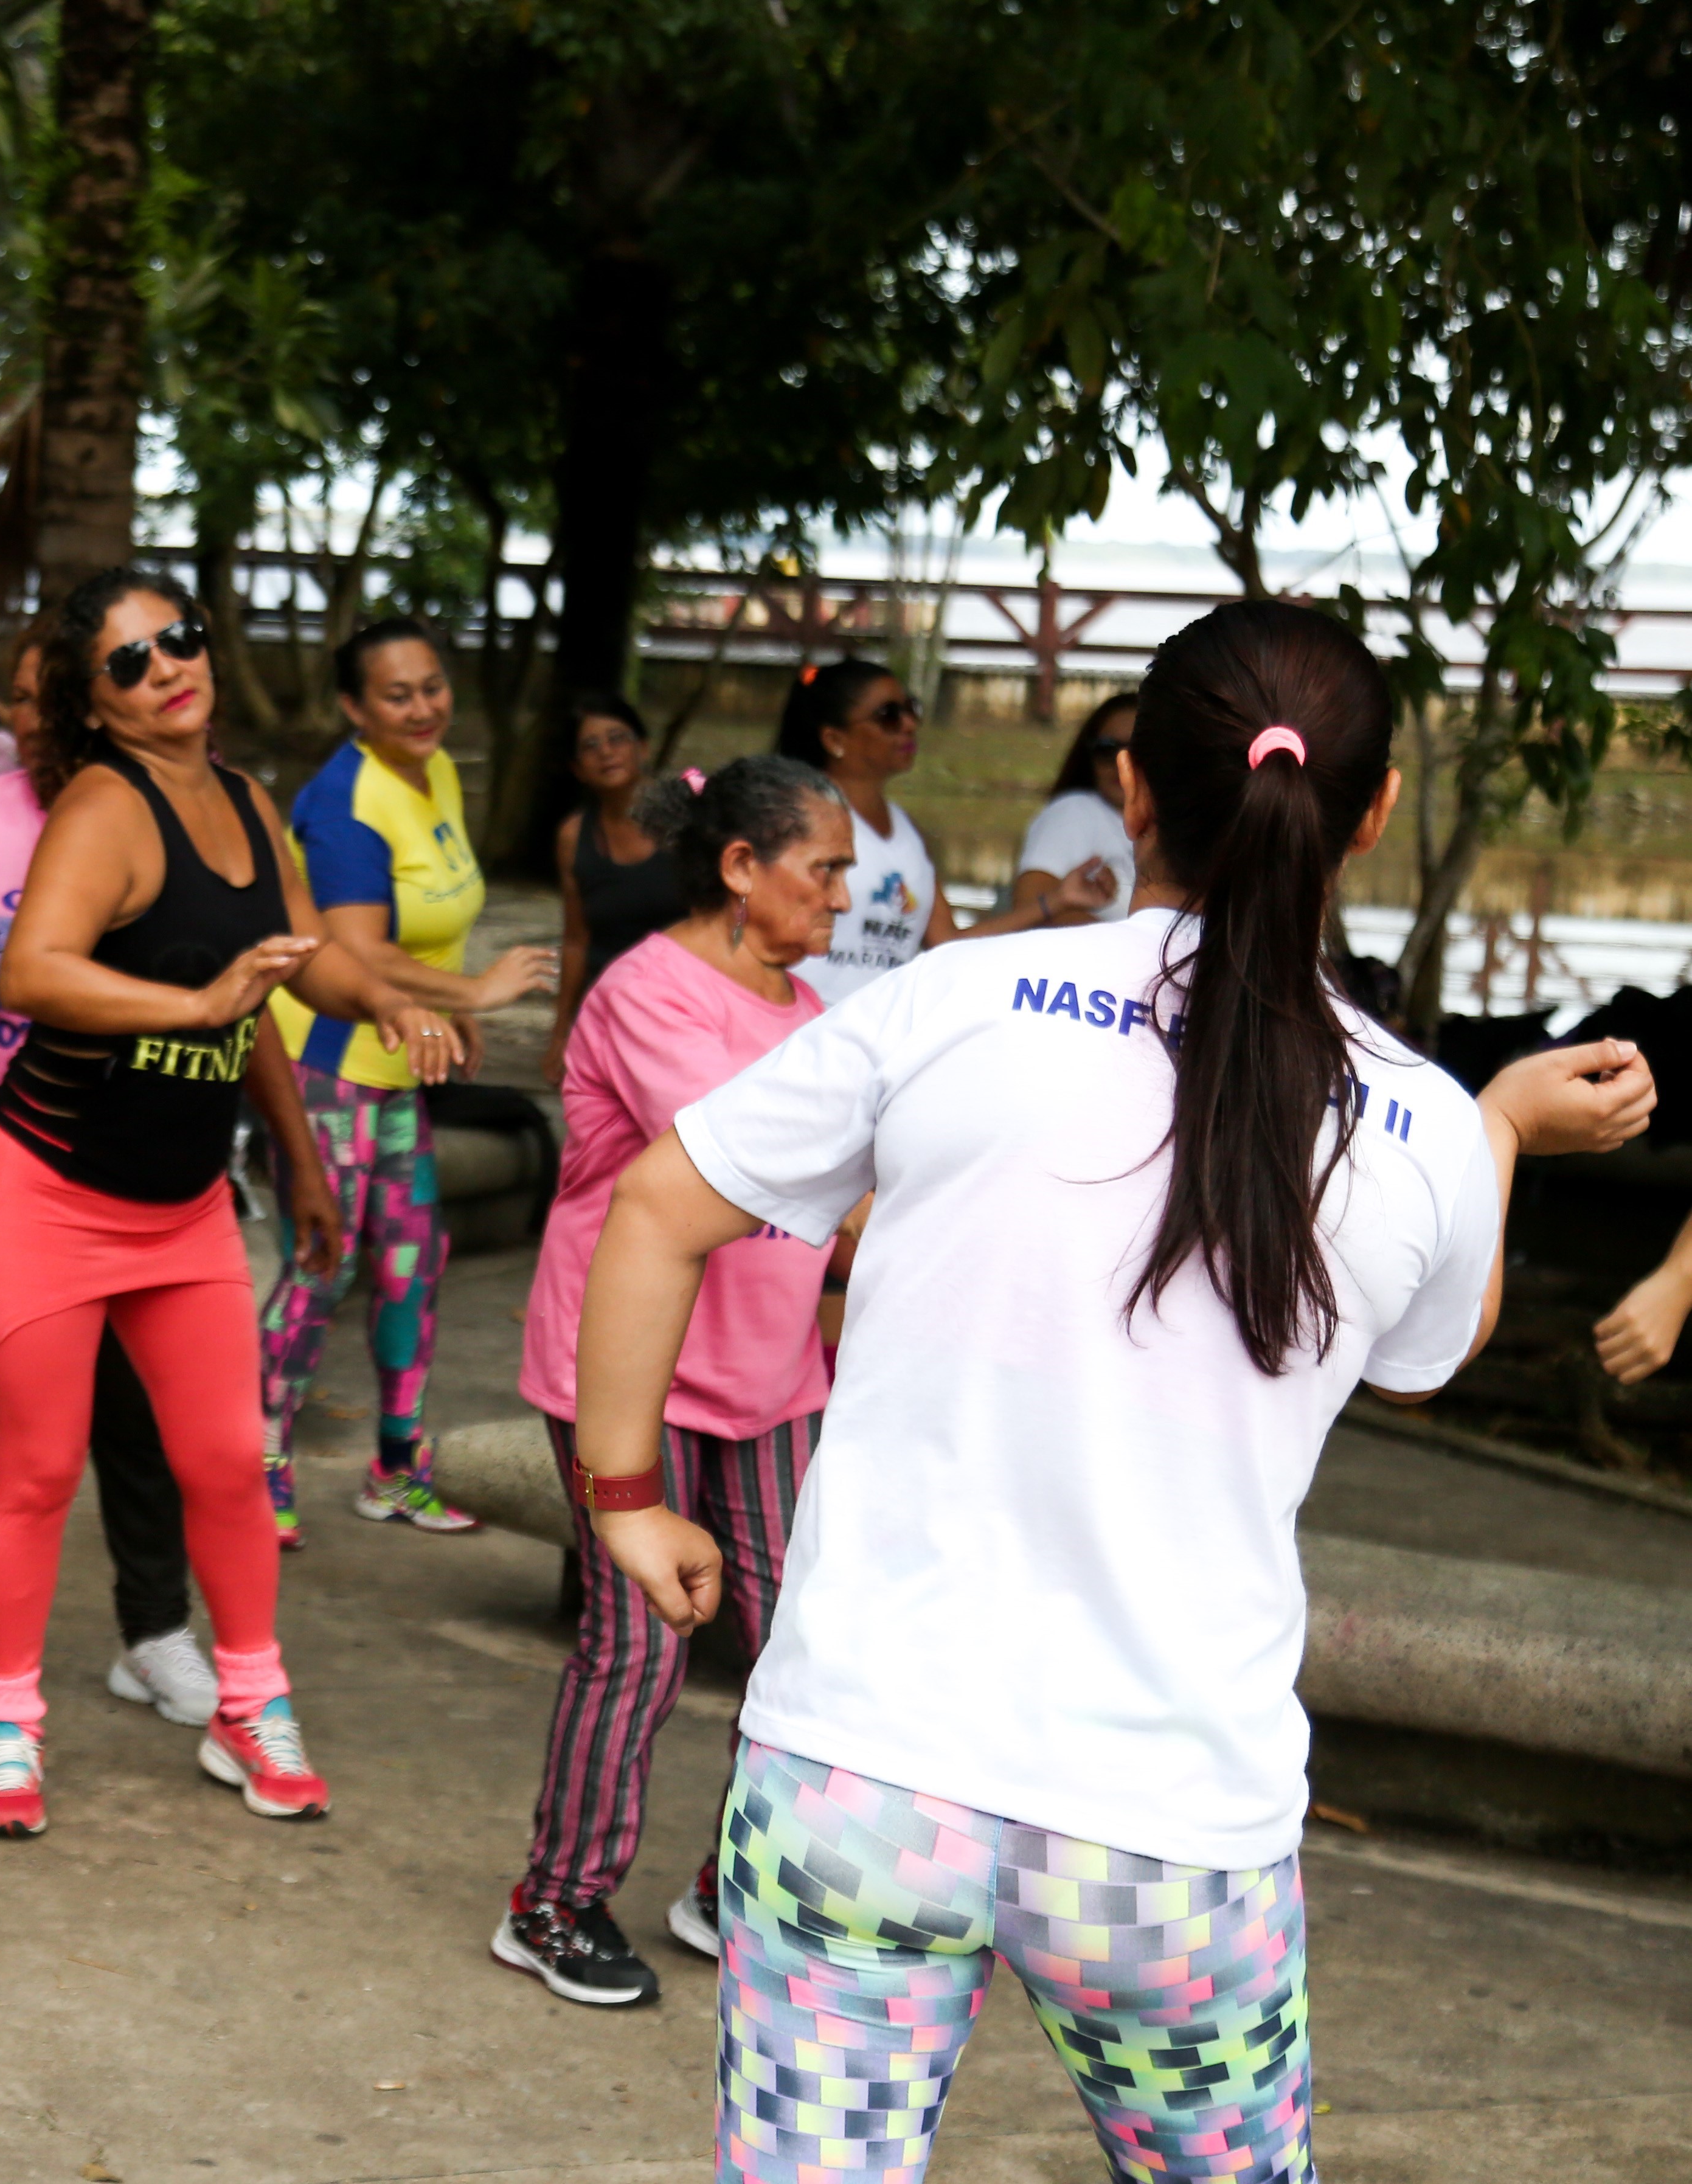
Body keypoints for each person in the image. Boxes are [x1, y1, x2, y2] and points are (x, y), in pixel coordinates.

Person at [573, 600, 1652, 2181]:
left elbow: (658, 1202)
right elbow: (1428, 1356)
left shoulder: (951, 1000)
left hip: (859, 1781)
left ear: (1131, 787)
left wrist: (622, 1493)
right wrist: (1493, 1128)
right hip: (1165, 1837)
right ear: (1368, 814)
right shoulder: (1414, 1122)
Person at [0, 569, 455, 1838]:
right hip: (45, 1189)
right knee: (37, 1471)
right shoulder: (102, 807)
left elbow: (299, 961)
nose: (166, 667)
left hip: (180, 1206)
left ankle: (249, 1703)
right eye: (127, 661)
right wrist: (194, 1004)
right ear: (92, 703)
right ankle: (5, 1724)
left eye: (177, 638)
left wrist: (383, 1004)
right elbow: (33, 969)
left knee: (231, 1462)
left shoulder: (241, 797)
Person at [0, 623, 340, 1727]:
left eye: (46, 693)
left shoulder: (188, 812)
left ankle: (152, 1634)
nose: (33, 717)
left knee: (142, 1419)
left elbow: (242, 1010)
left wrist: (298, 1156)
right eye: (17, 698)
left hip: (140, 1181)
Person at [492, 755, 850, 2012]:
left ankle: (729, 1881)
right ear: (740, 866)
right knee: (637, 1642)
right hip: (626, 1374)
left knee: (802, 1646)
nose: (842, 897)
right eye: (822, 869)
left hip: (768, 1372)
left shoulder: (812, 1007)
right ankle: (553, 1900)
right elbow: (751, 1156)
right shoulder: (647, 993)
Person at [256, 617, 558, 1542]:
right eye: (397, 695)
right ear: (355, 707)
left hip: (396, 1067)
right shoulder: (344, 799)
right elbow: (350, 945)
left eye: (432, 687)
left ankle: (395, 1466)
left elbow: (424, 927)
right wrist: (476, 991)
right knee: (321, 1265)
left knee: (410, 1262)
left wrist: (448, 1009)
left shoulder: (433, 775)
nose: (423, 707)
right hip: (326, 1063)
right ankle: (254, 1463)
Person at [773, 656, 1109, 1002]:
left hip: (881, 1025)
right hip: (805, 1021)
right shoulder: (793, 817)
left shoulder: (907, 831)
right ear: (833, 739)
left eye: (911, 709)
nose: (909, 725)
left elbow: (947, 944)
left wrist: (1060, 900)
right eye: (889, 716)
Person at [550, 691, 681, 1050]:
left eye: (617, 739)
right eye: (590, 746)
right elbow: (576, 940)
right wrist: (561, 1032)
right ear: (577, 768)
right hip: (606, 1014)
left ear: (643, 748)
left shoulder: (687, 820)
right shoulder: (574, 836)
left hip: (683, 1007)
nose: (606, 752)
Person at [1011, 690, 1140, 924]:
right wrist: (1128, 942)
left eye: (1139, 750)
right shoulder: (1075, 810)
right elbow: (1030, 905)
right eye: (1107, 749)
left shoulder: (1178, 829)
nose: (1121, 762)